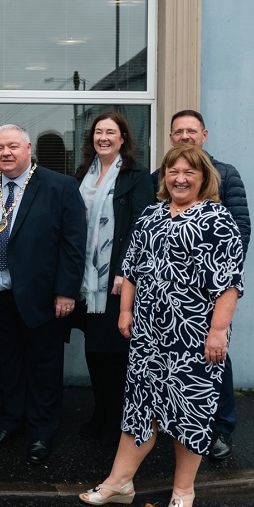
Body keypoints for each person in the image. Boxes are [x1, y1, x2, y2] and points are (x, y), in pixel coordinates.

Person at [80, 143, 244, 507]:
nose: (180, 178)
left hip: (193, 338)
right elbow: (131, 269)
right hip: (149, 335)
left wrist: (218, 331)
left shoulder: (218, 220)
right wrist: (124, 312)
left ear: (204, 178)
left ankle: (184, 491)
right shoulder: (152, 215)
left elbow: (230, 284)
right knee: (139, 409)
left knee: (189, 412)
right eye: (173, 172)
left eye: (189, 172)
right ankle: (119, 483)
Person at [0, 124, 86, 464]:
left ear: (27, 148)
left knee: (43, 366)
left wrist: (67, 291)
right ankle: (11, 421)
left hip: (42, 296)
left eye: (12, 147)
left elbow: (73, 244)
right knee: (7, 364)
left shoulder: (60, 186)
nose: (5, 153)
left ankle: (41, 431)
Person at [154, 109, 251, 461]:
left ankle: (219, 429)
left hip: (209, 293)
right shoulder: (160, 177)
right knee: (175, 366)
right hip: (168, 297)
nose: (184, 136)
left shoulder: (225, 174)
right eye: (178, 131)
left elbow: (240, 230)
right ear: (170, 137)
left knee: (214, 358)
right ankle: (179, 428)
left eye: (191, 130)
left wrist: (222, 282)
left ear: (204, 134)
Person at [72, 112, 155, 440]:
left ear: (123, 138)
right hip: (86, 281)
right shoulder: (83, 174)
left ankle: (118, 421)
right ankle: (101, 412)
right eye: (98, 132)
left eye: (111, 132)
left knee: (117, 354)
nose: (103, 137)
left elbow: (141, 228)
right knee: (94, 350)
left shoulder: (136, 175)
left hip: (118, 281)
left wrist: (124, 270)